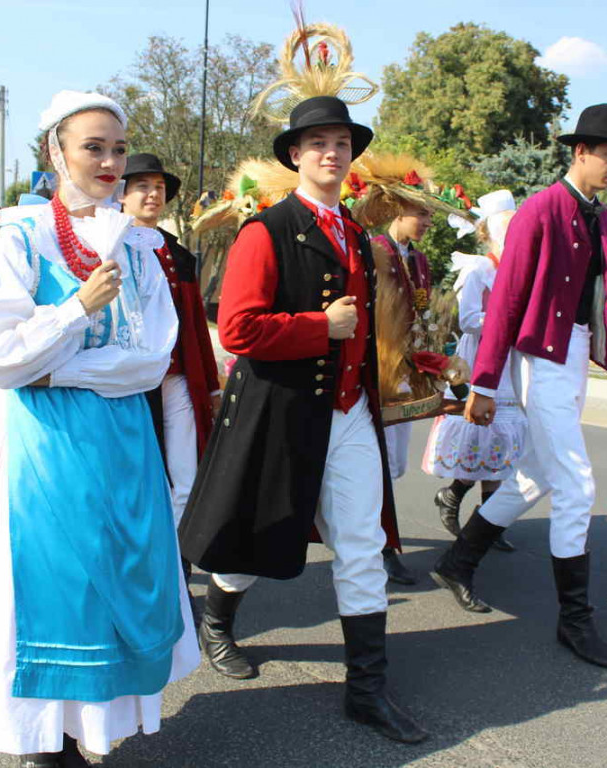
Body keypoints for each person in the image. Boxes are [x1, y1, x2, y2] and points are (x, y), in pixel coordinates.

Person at [0, 91, 198, 768]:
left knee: (112, 580)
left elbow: (149, 363)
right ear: (56, 153)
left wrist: (56, 369)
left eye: (118, 147)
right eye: (94, 147)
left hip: (116, 438)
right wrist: (73, 313)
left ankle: (89, 729)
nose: (111, 161)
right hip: (38, 443)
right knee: (49, 585)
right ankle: (39, 742)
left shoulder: (142, 246)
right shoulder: (22, 238)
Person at [178, 95, 427, 744]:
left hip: (348, 413)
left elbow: (376, 328)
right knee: (259, 538)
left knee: (362, 545)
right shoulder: (266, 230)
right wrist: (323, 326)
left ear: (352, 155)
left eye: (341, 142)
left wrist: (409, 359)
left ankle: (367, 689)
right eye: (317, 141)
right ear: (295, 154)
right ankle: (217, 622)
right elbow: (236, 329)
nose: (330, 151)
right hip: (283, 412)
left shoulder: (356, 232)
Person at [430, 103, 607, 669]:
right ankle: (575, 619)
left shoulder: (600, 216)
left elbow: (587, 292)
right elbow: (506, 303)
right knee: (576, 483)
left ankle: (458, 562)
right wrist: (485, 384)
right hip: (539, 356)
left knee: (539, 474)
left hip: (571, 351)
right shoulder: (539, 211)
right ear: (581, 151)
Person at [120, 153, 220, 526]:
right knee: (141, 475)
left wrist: (209, 384)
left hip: (178, 377)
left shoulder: (176, 252)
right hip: (130, 380)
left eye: (159, 188)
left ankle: (179, 564)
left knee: (186, 474)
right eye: (142, 187)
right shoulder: (110, 246)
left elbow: (195, 325)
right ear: (122, 195)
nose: (152, 195)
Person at [424, 190, 525, 551]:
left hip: (509, 360)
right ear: (491, 231)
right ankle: (452, 496)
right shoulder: (479, 268)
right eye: (509, 226)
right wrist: (507, 321)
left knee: (499, 439)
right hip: (481, 356)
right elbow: (467, 321)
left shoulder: (518, 270)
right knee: (481, 432)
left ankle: (487, 523)